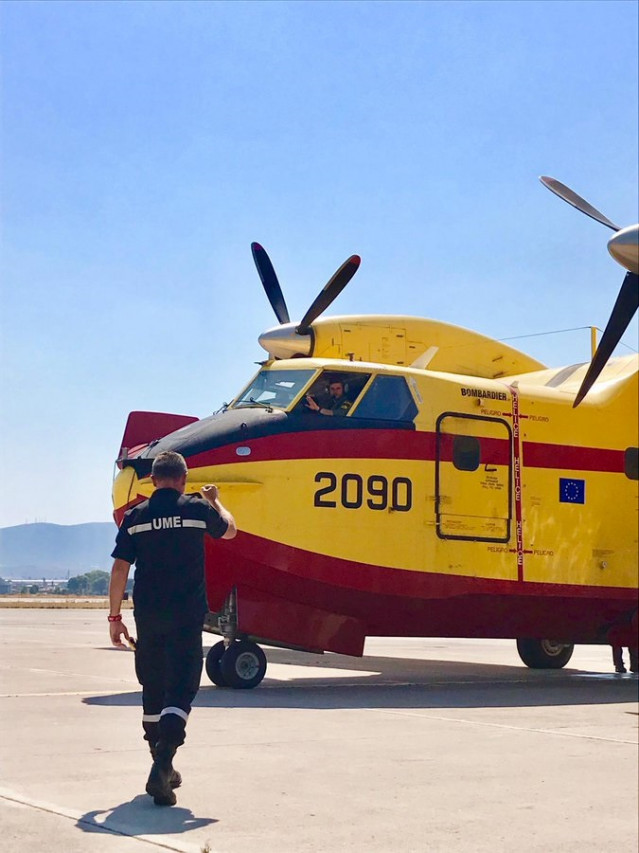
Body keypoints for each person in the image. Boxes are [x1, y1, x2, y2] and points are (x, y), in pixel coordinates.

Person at [108, 450, 237, 806]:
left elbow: (120, 569)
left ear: (152, 480)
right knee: (180, 690)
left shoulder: (135, 517)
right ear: (183, 478)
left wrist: (114, 617)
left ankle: (161, 764)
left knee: (152, 687)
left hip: (148, 617)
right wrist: (216, 501)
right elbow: (230, 531)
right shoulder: (196, 509)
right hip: (185, 617)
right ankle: (163, 764)